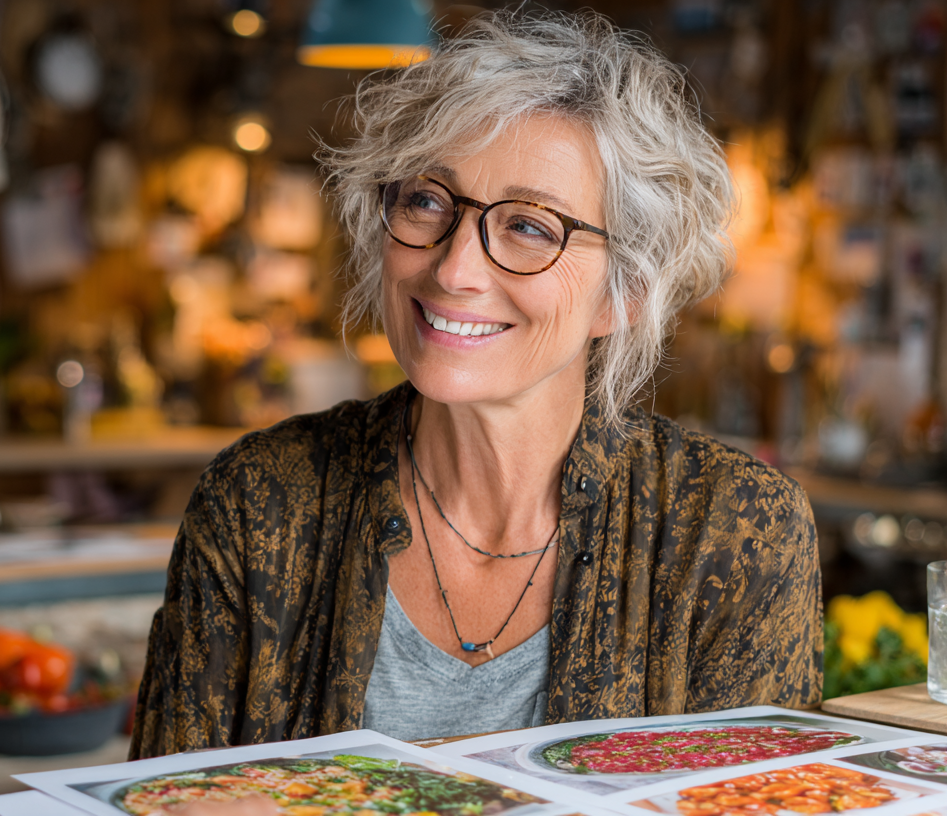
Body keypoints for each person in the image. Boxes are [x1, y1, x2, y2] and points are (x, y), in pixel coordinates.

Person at [130, 9, 821, 759]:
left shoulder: (733, 531)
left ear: (625, 292)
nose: (455, 269)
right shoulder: (258, 502)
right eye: (428, 201)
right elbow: (162, 803)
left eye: (529, 226)